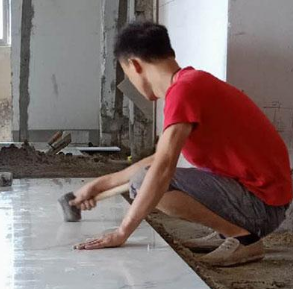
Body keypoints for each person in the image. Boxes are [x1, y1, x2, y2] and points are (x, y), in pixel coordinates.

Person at [70, 21, 292, 267]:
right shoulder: (190, 84)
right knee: (147, 177)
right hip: (262, 199)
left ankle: (243, 238)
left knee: (144, 181)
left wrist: (121, 232)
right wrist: (100, 185)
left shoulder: (184, 91)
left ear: (134, 65)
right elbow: (159, 158)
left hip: (261, 206)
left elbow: (162, 169)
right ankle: (229, 231)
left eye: (127, 74)